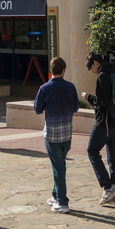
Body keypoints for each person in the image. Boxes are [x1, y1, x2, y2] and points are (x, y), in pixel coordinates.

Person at [33, 56, 79, 213]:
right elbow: (75, 107)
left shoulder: (44, 88)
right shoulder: (71, 87)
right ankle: (55, 194)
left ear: (50, 71)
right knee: (60, 165)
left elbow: (38, 109)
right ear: (64, 70)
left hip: (52, 134)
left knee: (58, 167)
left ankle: (62, 201)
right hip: (66, 133)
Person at [85, 52, 115, 206]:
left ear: (95, 63)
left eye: (91, 68)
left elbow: (101, 101)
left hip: (104, 122)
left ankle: (108, 187)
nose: (93, 71)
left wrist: (88, 97)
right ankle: (114, 192)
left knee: (92, 151)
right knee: (113, 156)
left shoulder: (102, 76)